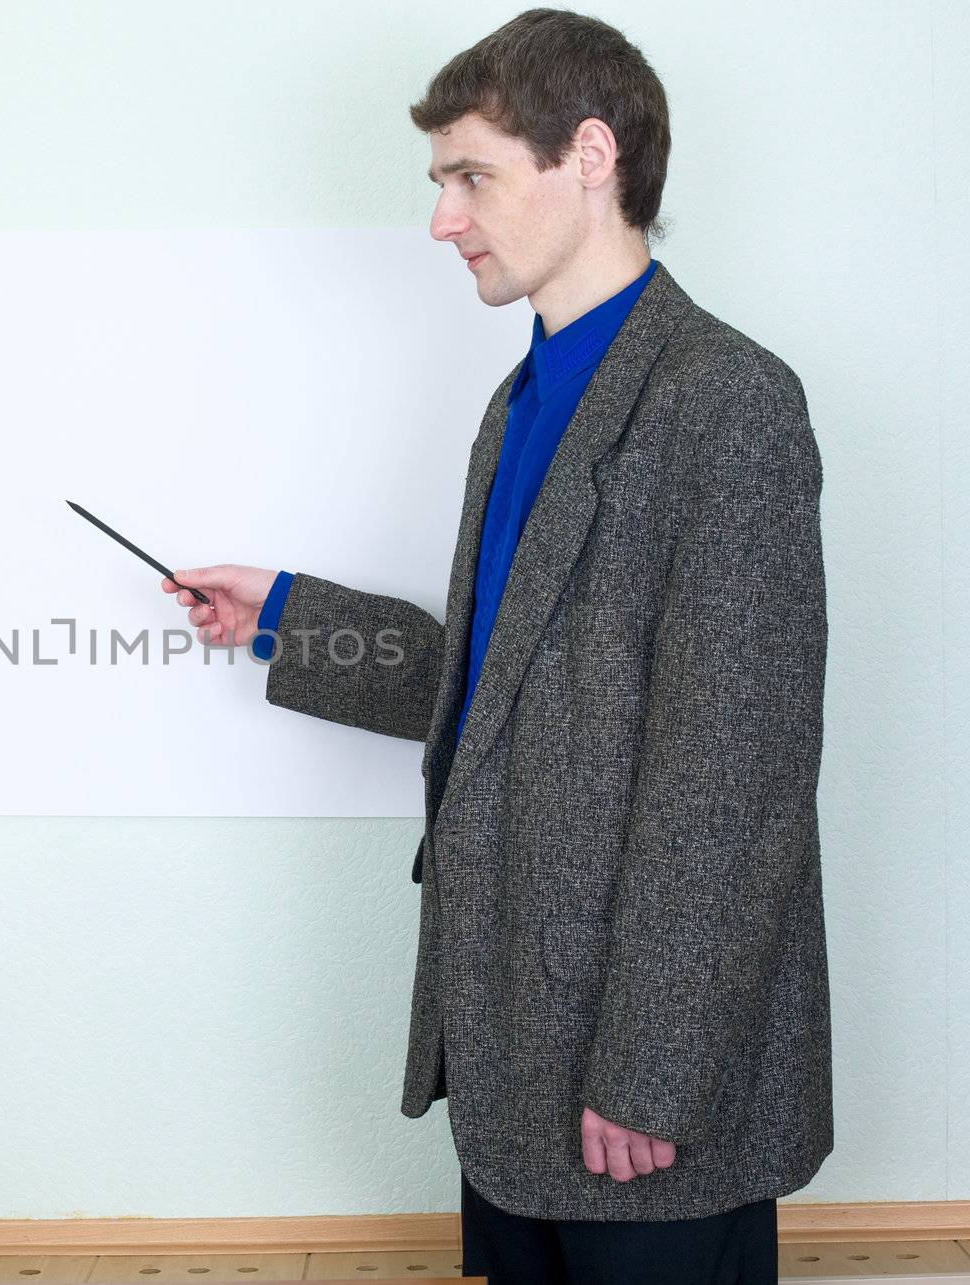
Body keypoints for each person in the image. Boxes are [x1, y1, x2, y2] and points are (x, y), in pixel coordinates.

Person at [162, 9, 831, 1283]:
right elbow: (513, 693)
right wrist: (289, 618)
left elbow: (732, 786)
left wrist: (653, 1067)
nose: (442, 220)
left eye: (469, 176)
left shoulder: (723, 399)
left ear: (590, 155)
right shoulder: (522, 396)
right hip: (517, 1061)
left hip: (642, 1090)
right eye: (439, 183)